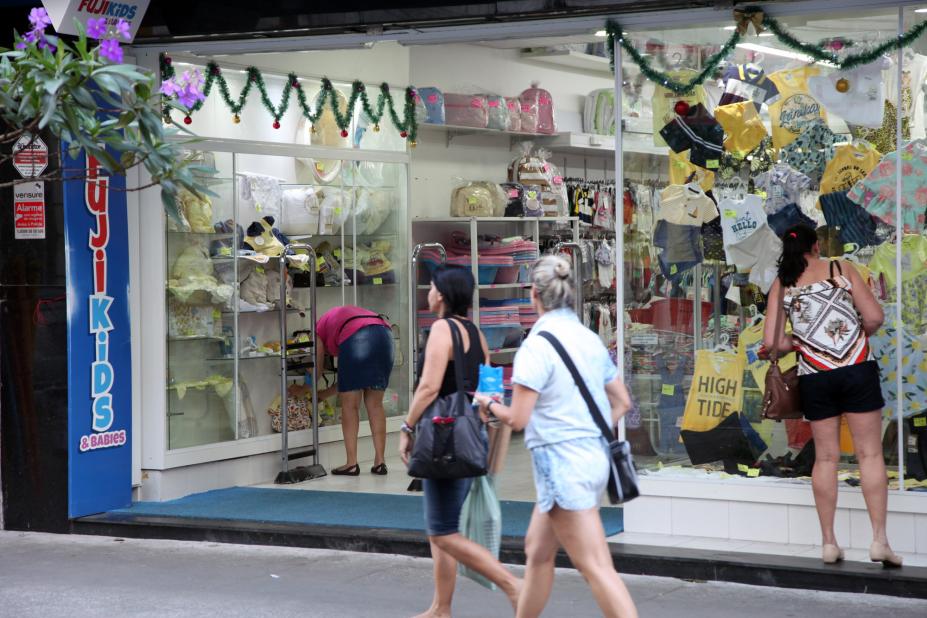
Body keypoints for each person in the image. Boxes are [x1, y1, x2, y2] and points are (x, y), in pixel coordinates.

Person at [474, 255, 639, 618]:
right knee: (538, 551)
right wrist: (584, 431)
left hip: (563, 465)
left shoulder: (536, 345)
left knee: (596, 566)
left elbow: (517, 418)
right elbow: (622, 401)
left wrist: (488, 403)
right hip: (591, 459)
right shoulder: (588, 337)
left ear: (534, 294)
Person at [762, 224, 901, 567]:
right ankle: (879, 542)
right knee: (869, 455)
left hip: (815, 376)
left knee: (825, 459)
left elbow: (773, 343)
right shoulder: (841, 268)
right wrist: (850, 336)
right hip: (857, 369)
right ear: (816, 246)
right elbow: (874, 317)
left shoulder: (782, 284)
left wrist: (804, 342)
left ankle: (828, 543)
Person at [399, 265, 521, 617]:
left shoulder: (441, 329)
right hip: (469, 436)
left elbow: (429, 387)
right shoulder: (477, 334)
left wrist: (407, 428)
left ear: (444, 294)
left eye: (434, 286)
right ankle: (441, 607)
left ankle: (513, 585)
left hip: (443, 436)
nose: (429, 291)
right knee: (444, 526)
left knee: (442, 532)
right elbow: (490, 393)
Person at [315, 305, 393, 476]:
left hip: (357, 335)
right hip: (385, 334)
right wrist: (324, 394)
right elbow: (350, 380)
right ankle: (380, 461)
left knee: (350, 406)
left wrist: (306, 389)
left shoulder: (318, 329)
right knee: (375, 405)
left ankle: (351, 463)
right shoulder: (338, 317)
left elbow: (317, 372)